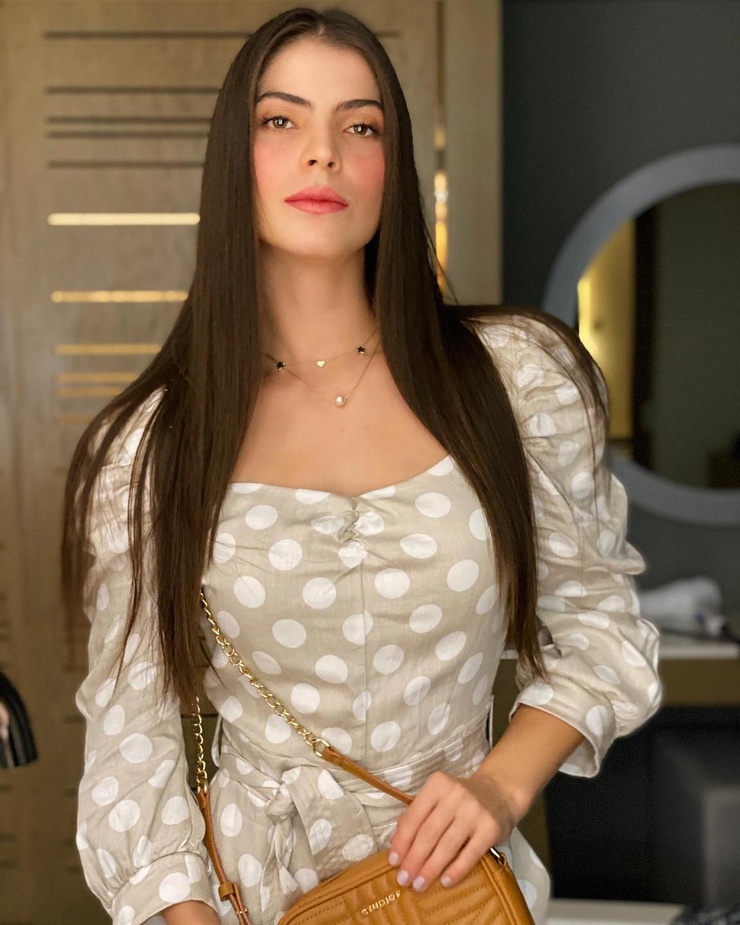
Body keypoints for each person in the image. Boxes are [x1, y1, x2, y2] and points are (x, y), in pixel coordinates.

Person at [63, 7, 662, 925]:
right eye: (281, 120)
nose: (323, 153)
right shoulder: (151, 448)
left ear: (395, 165)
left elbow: (600, 633)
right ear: (233, 160)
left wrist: (499, 785)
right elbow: (130, 739)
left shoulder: (514, 382)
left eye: (362, 125)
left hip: (462, 898)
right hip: (253, 903)